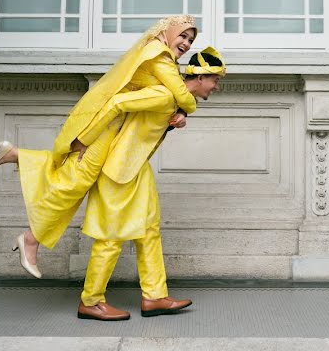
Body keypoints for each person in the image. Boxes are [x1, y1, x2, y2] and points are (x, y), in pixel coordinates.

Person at [0, 15, 199, 278]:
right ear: (169, 31)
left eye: (191, 39)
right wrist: (85, 138)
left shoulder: (159, 55)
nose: (187, 44)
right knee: (75, 181)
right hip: (105, 128)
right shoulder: (159, 56)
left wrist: (180, 115)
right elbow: (183, 96)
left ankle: (14, 157)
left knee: (72, 177)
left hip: (112, 128)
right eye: (183, 36)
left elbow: (170, 100)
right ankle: (30, 239)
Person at [77, 47, 225, 321]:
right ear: (202, 77)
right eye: (216, 80)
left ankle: (155, 296)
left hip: (136, 167)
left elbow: (165, 110)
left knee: (148, 231)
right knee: (111, 237)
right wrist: (83, 141)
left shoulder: (175, 98)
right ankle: (91, 300)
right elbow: (117, 103)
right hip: (118, 170)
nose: (217, 86)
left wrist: (181, 115)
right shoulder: (164, 93)